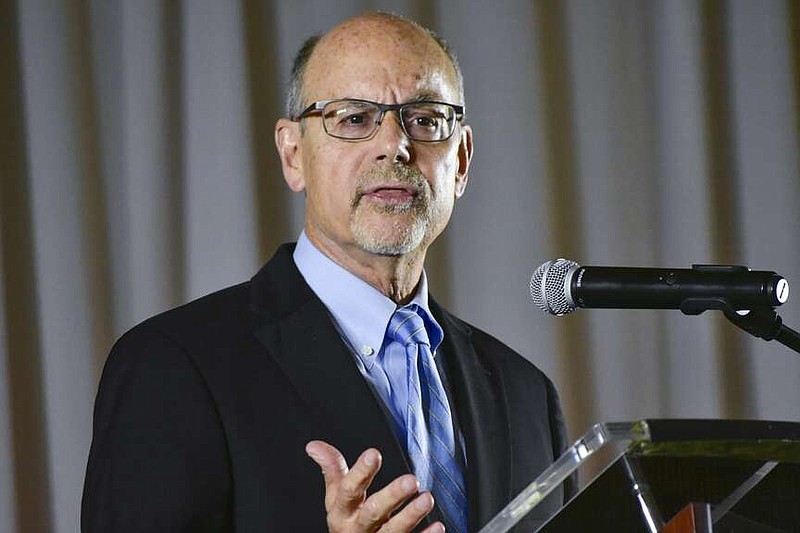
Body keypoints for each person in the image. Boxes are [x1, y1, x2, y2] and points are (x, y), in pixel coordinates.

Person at [82, 12, 572, 533]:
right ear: (293, 155)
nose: (395, 145)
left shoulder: (527, 395)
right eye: (355, 119)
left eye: (426, 119)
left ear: (462, 160)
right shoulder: (173, 365)